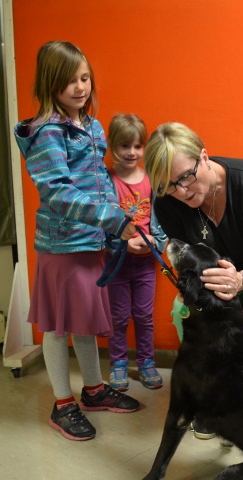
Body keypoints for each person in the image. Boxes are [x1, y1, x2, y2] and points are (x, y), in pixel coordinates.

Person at [14, 41, 142, 442]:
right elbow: (58, 193)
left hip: (91, 243)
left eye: (84, 77)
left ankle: (93, 389)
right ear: (50, 84)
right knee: (57, 328)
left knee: (83, 323)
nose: (79, 87)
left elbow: (101, 181)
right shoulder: (46, 132)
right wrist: (112, 218)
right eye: (69, 80)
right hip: (61, 248)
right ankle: (62, 403)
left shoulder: (92, 126)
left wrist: (122, 225)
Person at [145, 122, 243, 439]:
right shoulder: (167, 201)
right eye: (168, 186)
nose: (181, 191)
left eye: (186, 178)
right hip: (220, 276)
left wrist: (240, 280)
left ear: (203, 157)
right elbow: (187, 259)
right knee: (183, 311)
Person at [106, 114, 168, 391]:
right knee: (118, 316)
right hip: (116, 262)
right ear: (111, 147)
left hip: (145, 263)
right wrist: (122, 243)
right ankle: (118, 363)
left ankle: (146, 361)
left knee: (144, 314)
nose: (131, 152)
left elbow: (164, 219)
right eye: (124, 146)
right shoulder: (106, 181)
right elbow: (102, 222)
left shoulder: (152, 181)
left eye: (137, 146)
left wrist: (157, 242)